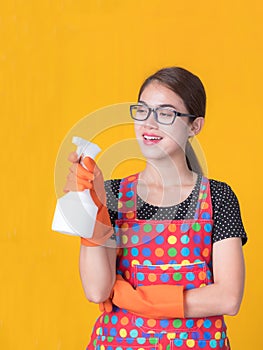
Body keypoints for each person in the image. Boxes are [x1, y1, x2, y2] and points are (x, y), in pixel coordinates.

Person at [64, 67, 247, 350]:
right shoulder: (112, 194)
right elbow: (97, 289)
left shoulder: (218, 198)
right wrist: (93, 206)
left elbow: (228, 297)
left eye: (165, 113)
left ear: (194, 126)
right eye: (143, 110)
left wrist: (139, 300)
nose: (149, 123)